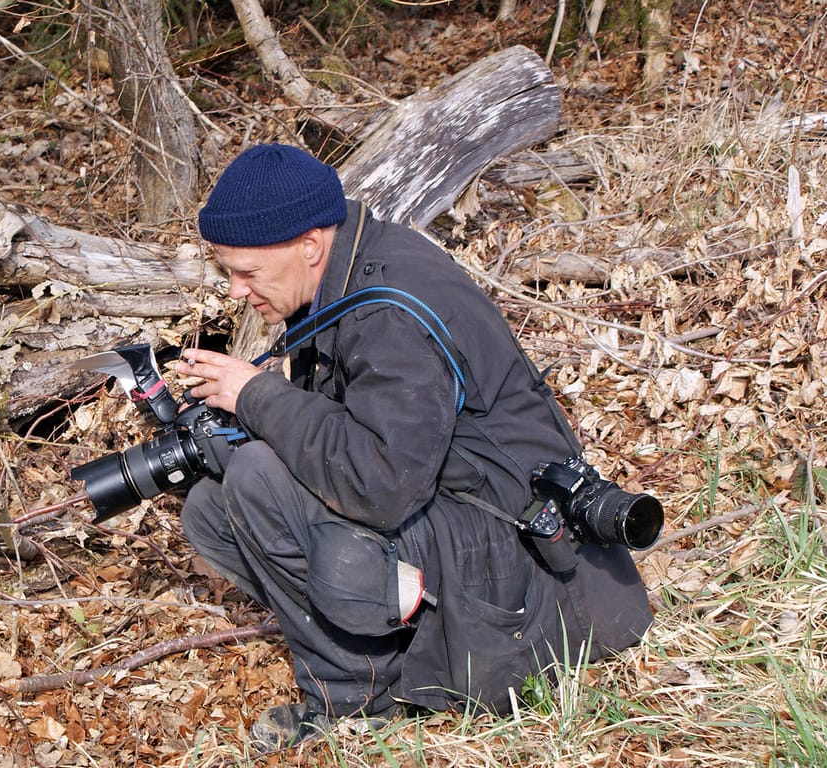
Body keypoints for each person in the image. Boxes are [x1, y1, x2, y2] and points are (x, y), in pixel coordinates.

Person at [169, 144, 653, 752]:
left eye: (247, 273)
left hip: (525, 554)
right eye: (227, 274)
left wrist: (258, 397)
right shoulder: (354, 270)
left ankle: (357, 697)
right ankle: (388, 660)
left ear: (309, 246)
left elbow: (382, 484)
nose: (236, 292)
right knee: (212, 509)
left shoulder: (388, 313)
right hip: (466, 511)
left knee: (258, 479)